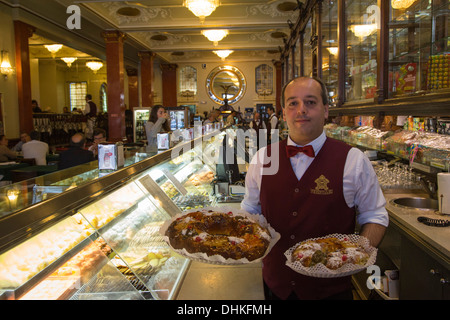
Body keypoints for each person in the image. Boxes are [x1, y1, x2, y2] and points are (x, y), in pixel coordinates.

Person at [241, 76, 388, 300]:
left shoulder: (353, 160)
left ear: (326, 110)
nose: (301, 110)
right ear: (283, 113)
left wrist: (359, 253)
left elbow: (375, 215)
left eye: (310, 102)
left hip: (331, 291)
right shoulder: (263, 159)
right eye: (293, 103)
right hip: (275, 286)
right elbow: (251, 209)